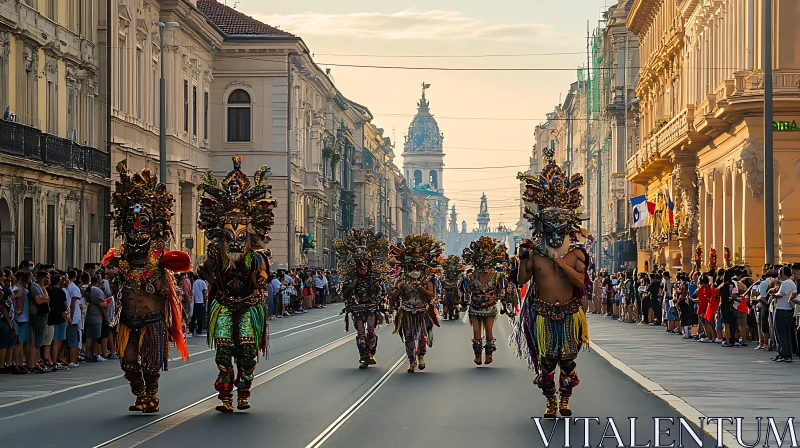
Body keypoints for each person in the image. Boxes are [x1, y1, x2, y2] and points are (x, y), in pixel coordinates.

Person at [101, 162, 191, 413]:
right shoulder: (117, 261)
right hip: (128, 322)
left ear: (154, 227)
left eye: (143, 223)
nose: (137, 229)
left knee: (151, 365)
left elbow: (169, 291)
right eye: (131, 222)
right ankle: (140, 394)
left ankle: (152, 395)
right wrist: (116, 275)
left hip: (152, 321)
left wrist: (159, 284)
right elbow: (114, 288)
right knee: (129, 364)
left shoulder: (161, 263)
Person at [513, 147, 590, 418]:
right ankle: (550, 402)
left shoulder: (577, 254)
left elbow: (581, 282)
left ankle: (566, 400)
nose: (556, 234)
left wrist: (561, 263)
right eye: (551, 228)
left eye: (561, 228)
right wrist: (522, 260)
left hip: (569, 313)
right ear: (543, 228)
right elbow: (521, 281)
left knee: (568, 360)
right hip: (543, 314)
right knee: (546, 361)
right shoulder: (534, 255)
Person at [197, 155, 274, 412]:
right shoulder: (215, 256)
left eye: (240, 234)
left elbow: (264, 278)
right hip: (225, 306)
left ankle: (244, 391)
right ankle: (225, 397)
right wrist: (206, 273)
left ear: (250, 233)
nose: (235, 241)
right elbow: (205, 274)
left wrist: (260, 281)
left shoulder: (257, 257)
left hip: (249, 307)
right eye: (229, 234)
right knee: (223, 351)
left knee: (247, 352)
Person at [334, 228, 390, 368]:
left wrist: (378, 297)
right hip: (358, 307)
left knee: (371, 330)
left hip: (371, 307)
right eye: (360, 264)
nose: (363, 267)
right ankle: (363, 356)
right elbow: (344, 293)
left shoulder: (374, 278)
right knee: (360, 332)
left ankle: (371, 352)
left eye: (365, 263)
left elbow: (381, 292)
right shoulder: (351, 279)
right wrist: (349, 291)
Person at [459, 236, 517, 366]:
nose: (484, 268)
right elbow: (464, 292)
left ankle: (489, 353)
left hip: (490, 308)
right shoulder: (469, 276)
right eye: (481, 264)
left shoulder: (498, 277)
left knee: (489, 330)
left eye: (487, 264)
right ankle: (478, 355)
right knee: (476, 332)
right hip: (474, 308)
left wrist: (507, 304)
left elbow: (504, 292)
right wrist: (463, 302)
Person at [389, 233, 442, 373]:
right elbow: (394, 296)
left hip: (422, 311)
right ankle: (412, 361)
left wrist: (422, 288)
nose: (414, 266)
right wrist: (399, 289)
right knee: (408, 337)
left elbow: (432, 294)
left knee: (422, 336)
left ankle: (421, 357)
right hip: (406, 311)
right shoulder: (401, 277)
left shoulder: (427, 277)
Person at [769, 266, 798, 362]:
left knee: (780, 333)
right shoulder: (792, 283)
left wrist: (773, 294)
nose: (778, 275)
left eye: (779, 273)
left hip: (781, 309)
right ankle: (787, 354)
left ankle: (784, 354)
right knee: (786, 333)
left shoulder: (785, 283)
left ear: (782, 273)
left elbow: (780, 295)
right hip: (789, 310)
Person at [46, 274, 69, 370]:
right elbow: (65, 305)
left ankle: (52, 360)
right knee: (59, 340)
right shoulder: (61, 292)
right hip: (61, 317)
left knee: (53, 341)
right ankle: (55, 361)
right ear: (59, 282)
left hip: (52, 317)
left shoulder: (49, 291)